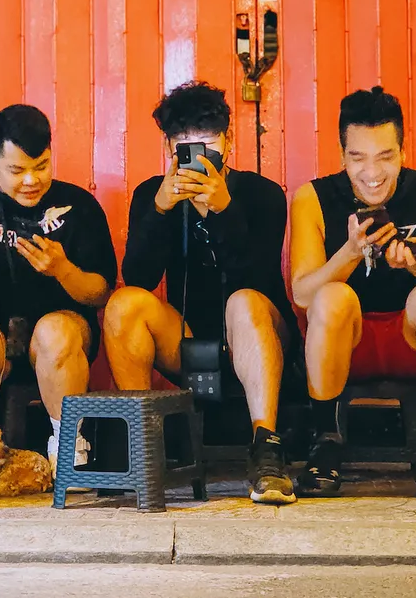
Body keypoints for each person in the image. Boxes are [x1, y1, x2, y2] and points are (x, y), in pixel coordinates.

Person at [103, 81, 299, 504]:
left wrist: (223, 210)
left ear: (228, 140)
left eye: (207, 143)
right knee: (123, 303)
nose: (198, 155)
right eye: (185, 146)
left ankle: (267, 449)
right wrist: (160, 209)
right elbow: (138, 277)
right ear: (169, 147)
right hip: (189, 340)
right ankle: (142, 444)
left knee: (243, 302)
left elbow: (257, 276)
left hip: (259, 335)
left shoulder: (262, 194)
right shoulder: (151, 194)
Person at [289, 86, 416, 497]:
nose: (372, 172)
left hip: (415, 343)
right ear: (342, 156)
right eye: (358, 157)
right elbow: (302, 295)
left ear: (403, 152)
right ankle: (326, 440)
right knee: (331, 295)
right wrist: (351, 252)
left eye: (385, 156)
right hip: (345, 345)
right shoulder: (313, 198)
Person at [0, 104, 117, 492]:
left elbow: (101, 293)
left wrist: (63, 270)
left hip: (62, 342)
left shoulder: (80, 207)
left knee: (54, 331)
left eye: (41, 166)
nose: (31, 180)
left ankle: (69, 449)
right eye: (16, 170)